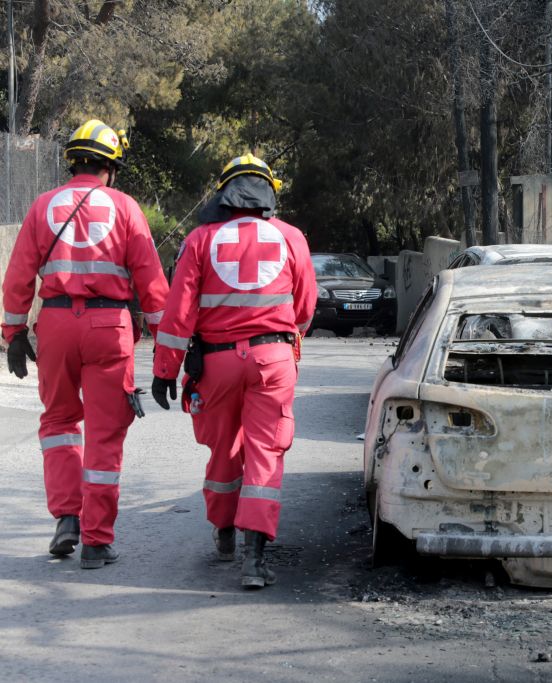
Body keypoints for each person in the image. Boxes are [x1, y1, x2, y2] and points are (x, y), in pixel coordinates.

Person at [2, 119, 169, 568]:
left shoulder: (42, 206)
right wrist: (169, 351)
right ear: (109, 168)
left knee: (58, 422)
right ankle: (96, 541)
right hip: (108, 327)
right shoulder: (126, 207)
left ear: (72, 163)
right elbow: (153, 285)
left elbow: (18, 276)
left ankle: (66, 519)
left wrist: (13, 333)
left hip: (55, 324)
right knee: (104, 432)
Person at [151, 154, 316, 589]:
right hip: (272, 361)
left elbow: (178, 312)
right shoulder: (291, 237)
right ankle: (255, 558)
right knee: (266, 451)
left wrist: (165, 370)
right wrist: (286, 339)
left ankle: (224, 533)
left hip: (216, 363)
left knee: (223, 448)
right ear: (268, 193)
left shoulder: (200, 239)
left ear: (223, 193)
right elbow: (305, 307)